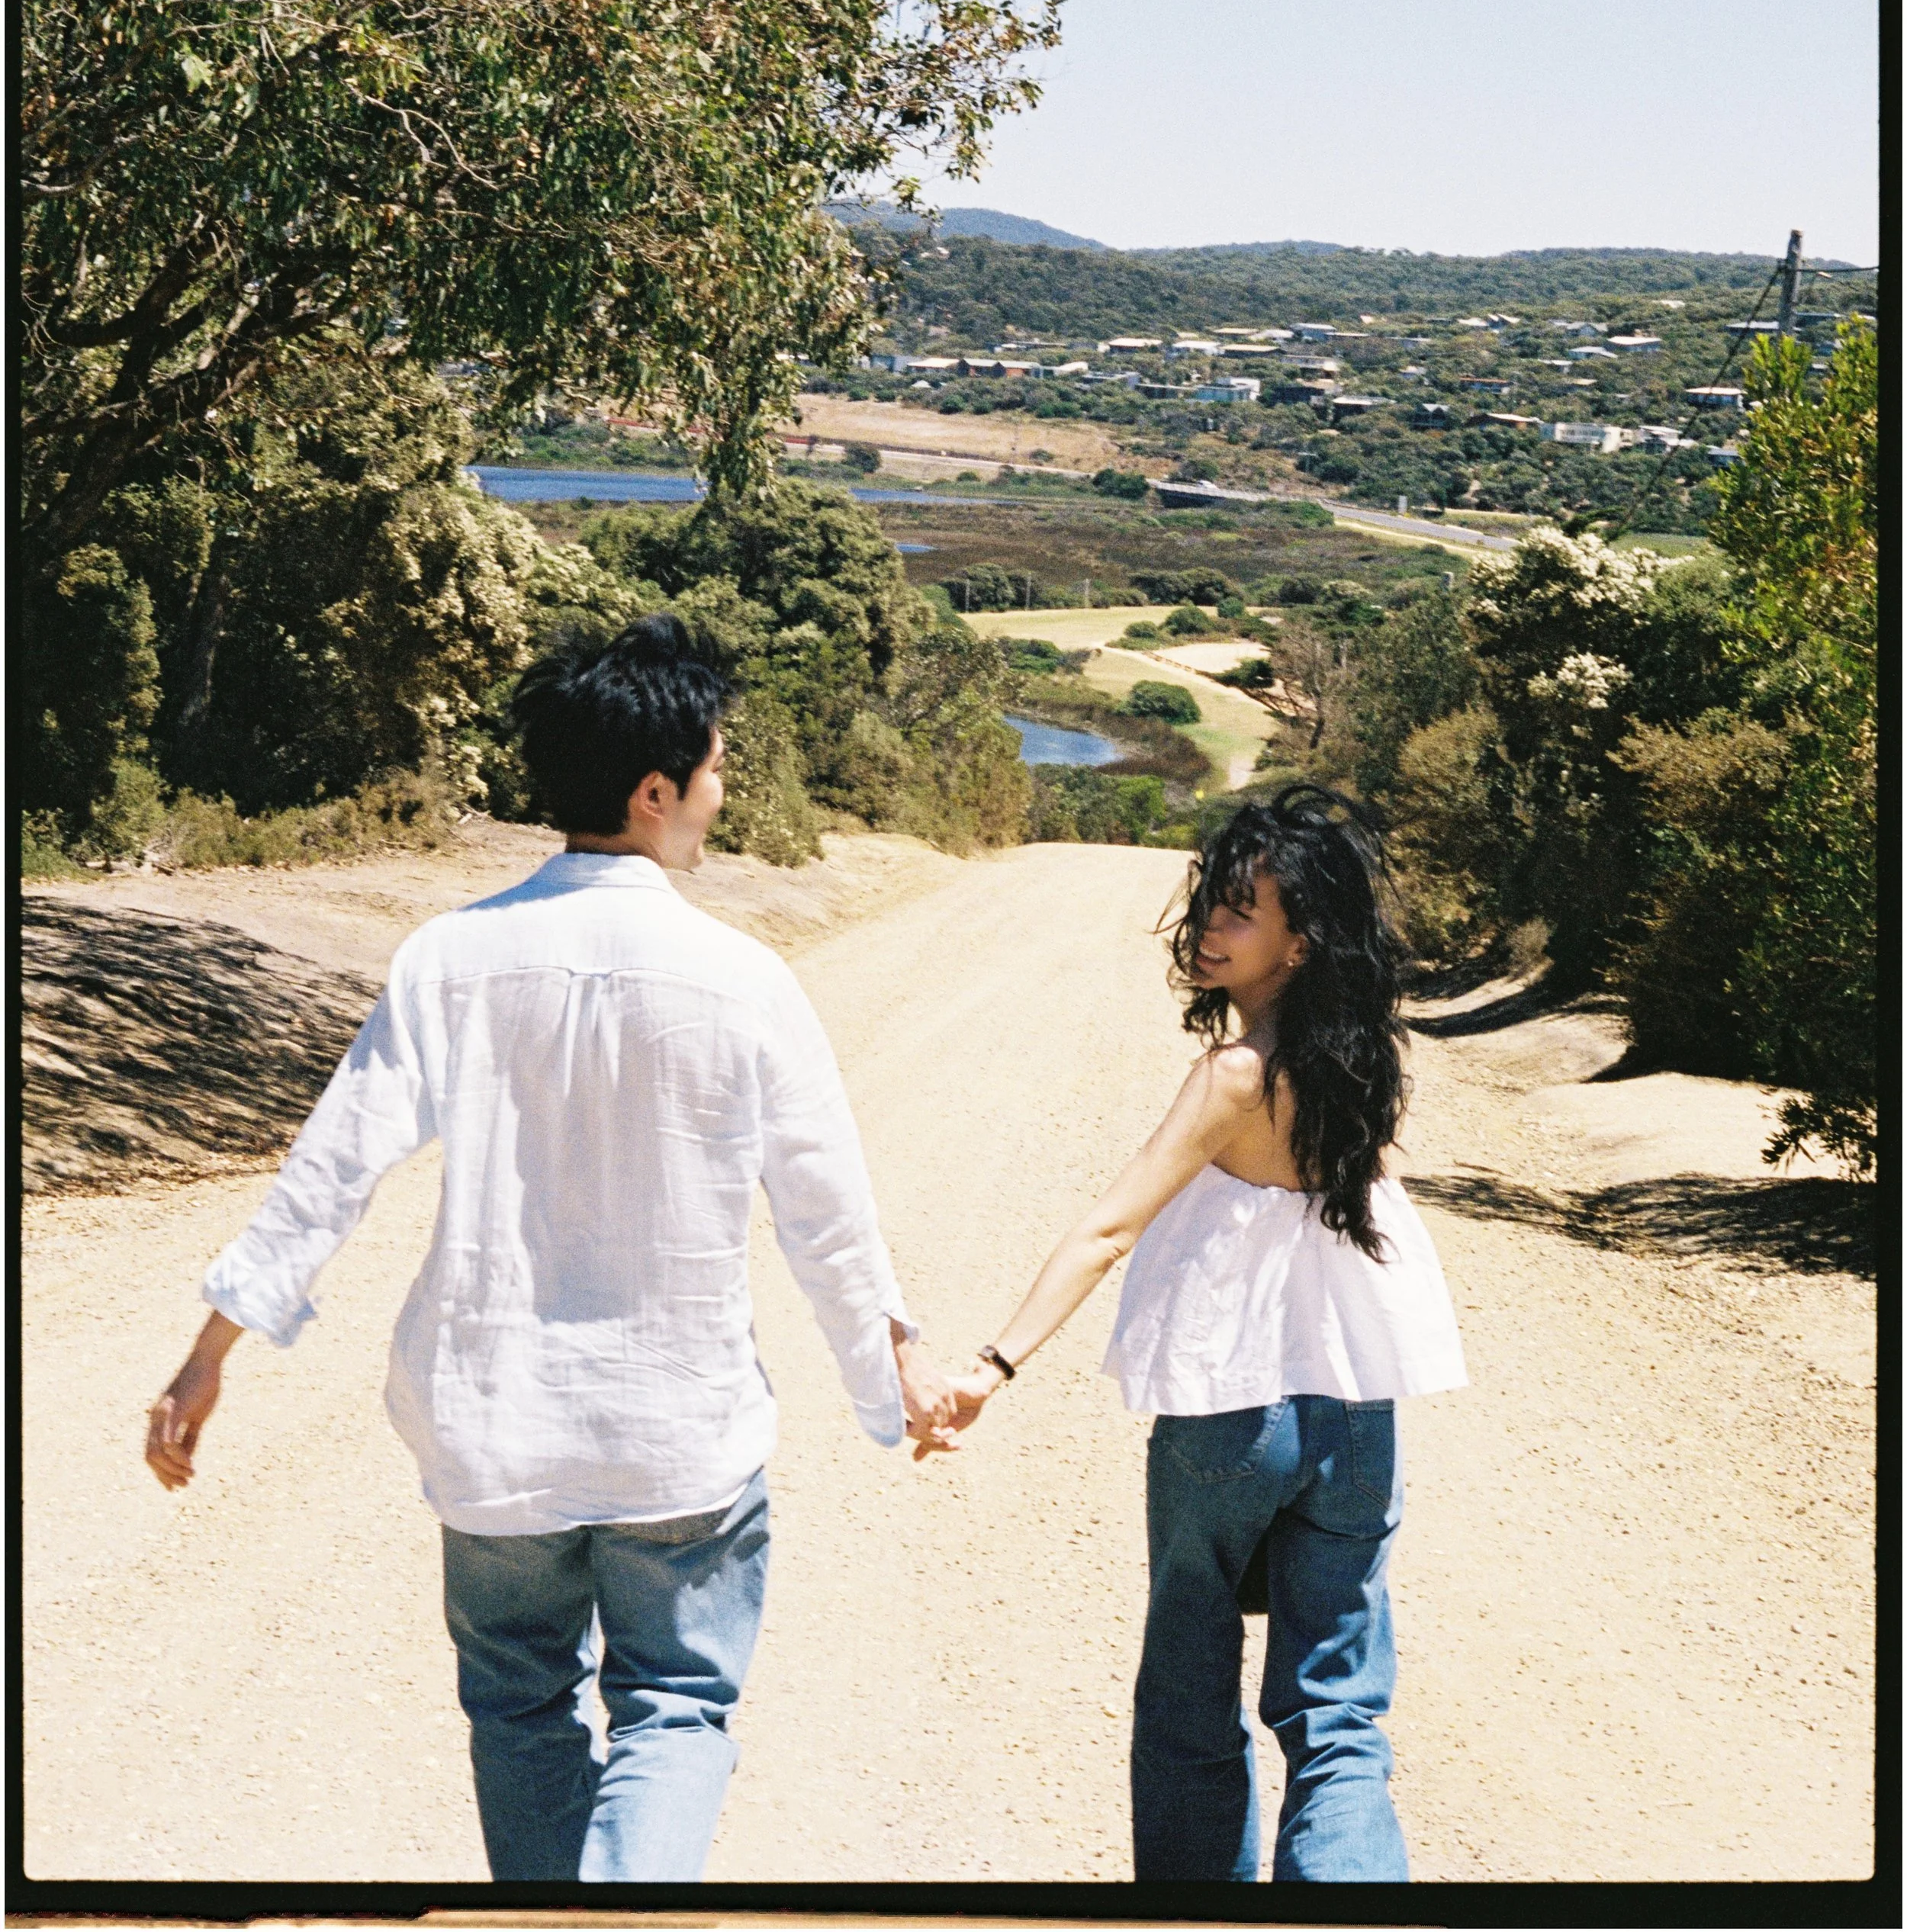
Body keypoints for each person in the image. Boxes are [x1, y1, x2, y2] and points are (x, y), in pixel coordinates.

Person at [144, 616, 959, 1884]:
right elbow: (828, 1217)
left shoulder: (450, 959)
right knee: (677, 1711)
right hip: (676, 1438)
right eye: (717, 766)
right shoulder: (746, 980)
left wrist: (211, 1351)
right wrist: (888, 1373)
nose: (724, 789)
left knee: (521, 1711)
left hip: (494, 1437)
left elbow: (333, 1169)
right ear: (654, 791)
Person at [948, 783, 1465, 1885]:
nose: (1208, 929)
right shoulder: (1362, 1062)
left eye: (1240, 911)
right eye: (1210, 904)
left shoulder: (1235, 1077)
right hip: (1354, 1411)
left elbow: (1108, 1227)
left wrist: (994, 1363)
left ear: (1300, 937)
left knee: (1189, 1696)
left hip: (1232, 1415)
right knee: (1339, 1718)